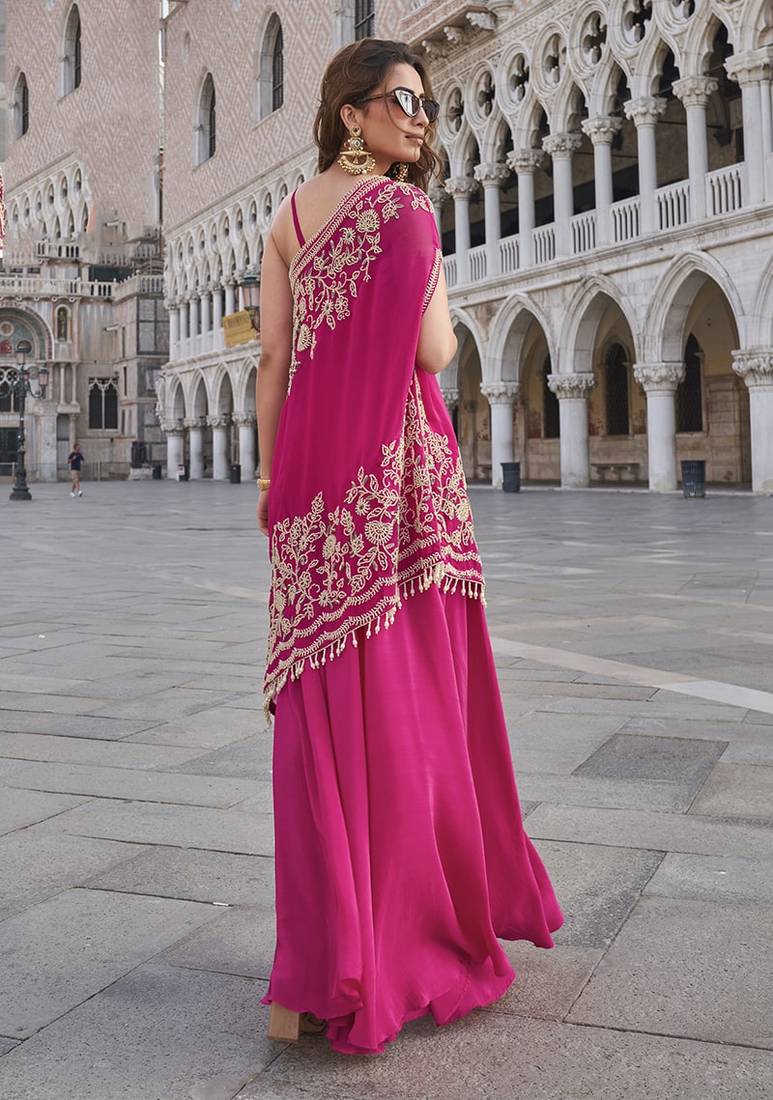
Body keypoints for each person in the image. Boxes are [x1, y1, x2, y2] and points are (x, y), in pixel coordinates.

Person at [255, 38, 563, 1057]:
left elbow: (273, 359)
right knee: (410, 708)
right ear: (351, 113)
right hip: (397, 482)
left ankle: (312, 972)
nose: (419, 116)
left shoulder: (287, 218)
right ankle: (396, 948)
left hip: (309, 484)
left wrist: (268, 481)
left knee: (321, 713)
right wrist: (439, 301)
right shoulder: (403, 211)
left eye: (426, 102)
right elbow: (433, 350)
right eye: (400, 99)